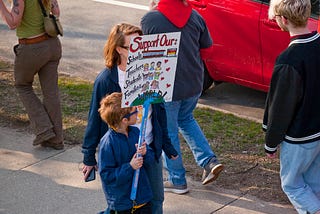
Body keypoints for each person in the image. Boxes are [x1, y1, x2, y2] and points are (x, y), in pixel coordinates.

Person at [81, 23, 178, 214]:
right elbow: (95, 118)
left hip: (148, 147)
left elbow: (159, 113)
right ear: (119, 49)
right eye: (133, 45)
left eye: (141, 44)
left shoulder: (150, 70)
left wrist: (166, 144)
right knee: (123, 203)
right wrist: (88, 155)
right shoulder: (107, 79)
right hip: (121, 151)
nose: (139, 49)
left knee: (156, 198)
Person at [141, 0, 224, 194]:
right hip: (193, 83)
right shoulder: (196, 17)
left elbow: (144, 53)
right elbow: (207, 51)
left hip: (167, 87)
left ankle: (177, 179)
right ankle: (209, 160)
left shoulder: (150, 19)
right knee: (186, 119)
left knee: (168, 132)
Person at [263, 0, 320, 213]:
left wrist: (271, 142)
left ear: (283, 19)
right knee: (314, 184)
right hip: (318, 132)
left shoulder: (288, 59)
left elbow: (280, 107)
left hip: (300, 136)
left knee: (292, 184)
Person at [0, 0, 64, 150]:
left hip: (32, 47)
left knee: (22, 85)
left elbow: (13, 23)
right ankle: (57, 139)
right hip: (52, 44)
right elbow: (56, 12)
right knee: (51, 93)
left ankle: (44, 129)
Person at [98, 92, 154, 214]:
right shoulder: (108, 143)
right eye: (135, 111)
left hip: (143, 197)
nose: (138, 113)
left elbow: (150, 160)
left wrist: (145, 152)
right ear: (124, 120)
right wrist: (130, 167)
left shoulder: (135, 132)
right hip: (123, 203)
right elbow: (107, 176)